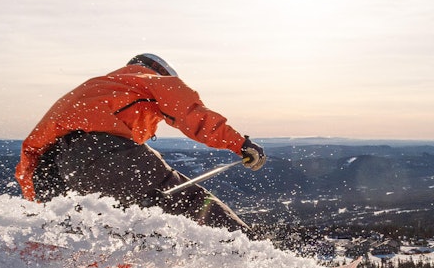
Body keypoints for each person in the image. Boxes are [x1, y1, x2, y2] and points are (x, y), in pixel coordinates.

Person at [15, 53, 265, 232]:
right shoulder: (150, 79)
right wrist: (240, 144)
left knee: (105, 224)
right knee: (190, 202)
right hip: (108, 153)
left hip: (58, 166)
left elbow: (32, 152)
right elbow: (189, 112)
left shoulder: (94, 88)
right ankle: (252, 255)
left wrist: (41, 204)